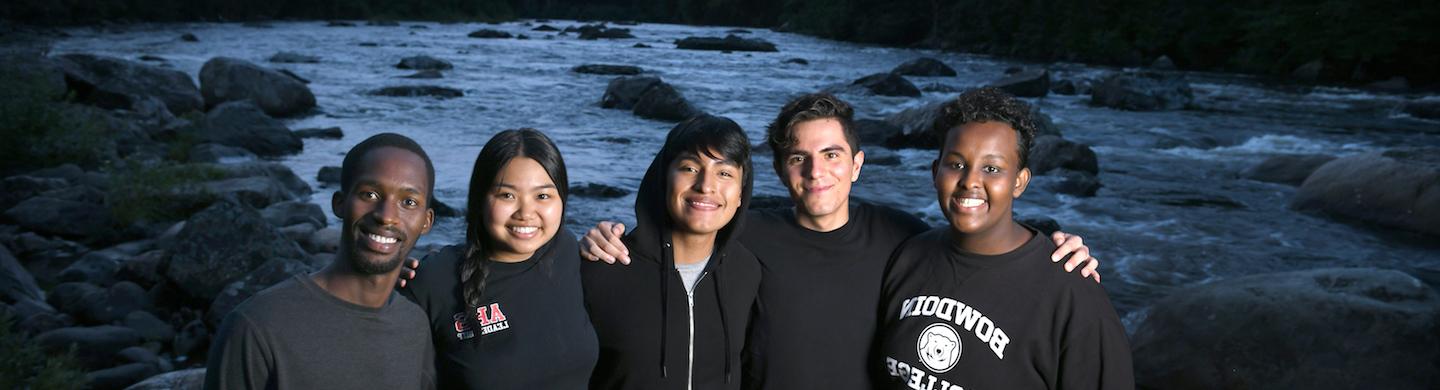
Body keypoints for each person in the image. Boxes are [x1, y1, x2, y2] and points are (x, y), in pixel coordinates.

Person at [580, 93, 1099, 389]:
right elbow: (682, 227)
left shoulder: (905, 238)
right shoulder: (744, 232)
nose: (816, 171)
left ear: (856, 165)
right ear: (782, 171)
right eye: (799, 157)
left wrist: (1052, 245)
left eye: (831, 154)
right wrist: (607, 237)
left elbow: (977, 253)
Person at [876, 87, 1132, 389]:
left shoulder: (1071, 293)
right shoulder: (907, 257)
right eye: (956, 164)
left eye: (992, 168)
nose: (970, 181)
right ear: (935, 172)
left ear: (1019, 182)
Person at [205, 133, 436, 389]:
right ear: (339, 203)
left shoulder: (415, 326)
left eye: (408, 202)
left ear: (426, 221)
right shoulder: (257, 327)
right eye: (370, 194)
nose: (387, 216)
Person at [399, 129, 598, 389]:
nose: (526, 213)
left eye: (543, 196)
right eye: (507, 195)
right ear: (480, 199)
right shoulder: (434, 279)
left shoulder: (568, 251)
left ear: (562, 199)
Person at [581, 115, 762, 390]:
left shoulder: (746, 271)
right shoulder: (604, 268)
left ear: (740, 194)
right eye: (689, 168)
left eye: (724, 173)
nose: (706, 185)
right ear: (663, 178)